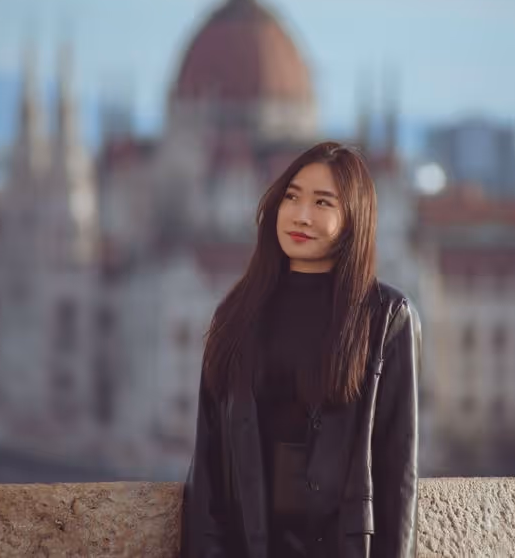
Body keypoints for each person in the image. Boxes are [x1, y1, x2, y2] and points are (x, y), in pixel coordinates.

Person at [180, 140, 421, 558]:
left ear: (352, 220)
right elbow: (207, 470)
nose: (301, 215)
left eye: (323, 203)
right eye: (291, 197)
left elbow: (396, 475)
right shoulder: (235, 316)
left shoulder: (386, 317)